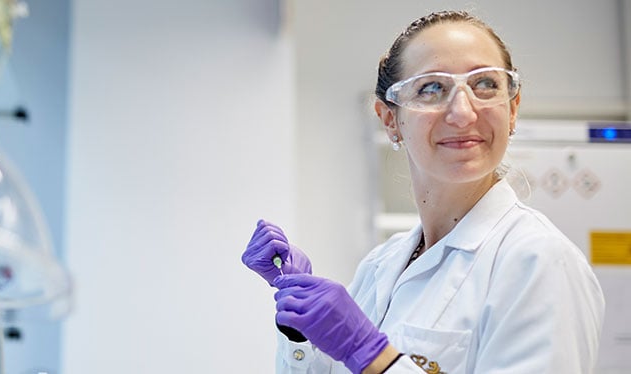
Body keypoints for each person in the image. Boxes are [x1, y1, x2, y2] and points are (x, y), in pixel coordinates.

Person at [242, 10, 605, 374]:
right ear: (390, 120)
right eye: (432, 88)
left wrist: (371, 355)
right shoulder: (381, 265)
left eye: (485, 85)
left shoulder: (539, 262)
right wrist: (302, 329)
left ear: (512, 109)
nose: (463, 113)